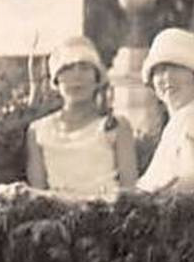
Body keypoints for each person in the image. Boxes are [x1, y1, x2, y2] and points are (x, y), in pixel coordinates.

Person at [25, 36, 137, 198]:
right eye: (68, 68)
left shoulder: (116, 126)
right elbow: (38, 195)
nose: (77, 76)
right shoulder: (38, 131)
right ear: (56, 81)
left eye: (85, 68)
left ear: (97, 79)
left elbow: (130, 192)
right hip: (57, 218)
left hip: (109, 217)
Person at [136, 28, 194, 196]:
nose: (167, 78)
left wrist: (152, 201)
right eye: (159, 70)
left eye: (176, 68)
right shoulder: (180, 119)